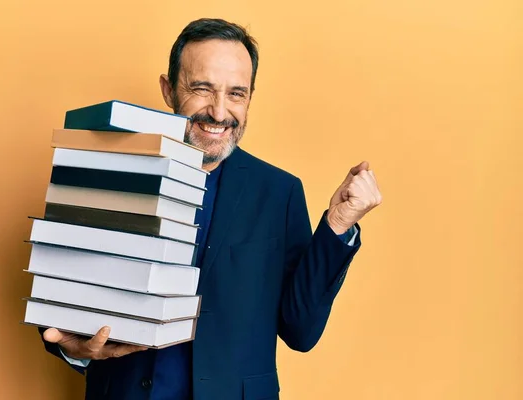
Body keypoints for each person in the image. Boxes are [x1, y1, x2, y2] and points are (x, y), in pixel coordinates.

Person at [39, 17, 382, 400]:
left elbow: (300, 331)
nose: (219, 113)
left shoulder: (279, 192)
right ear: (169, 90)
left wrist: (337, 226)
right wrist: (74, 349)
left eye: (237, 94)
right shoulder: (107, 168)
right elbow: (63, 291)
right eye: (202, 89)